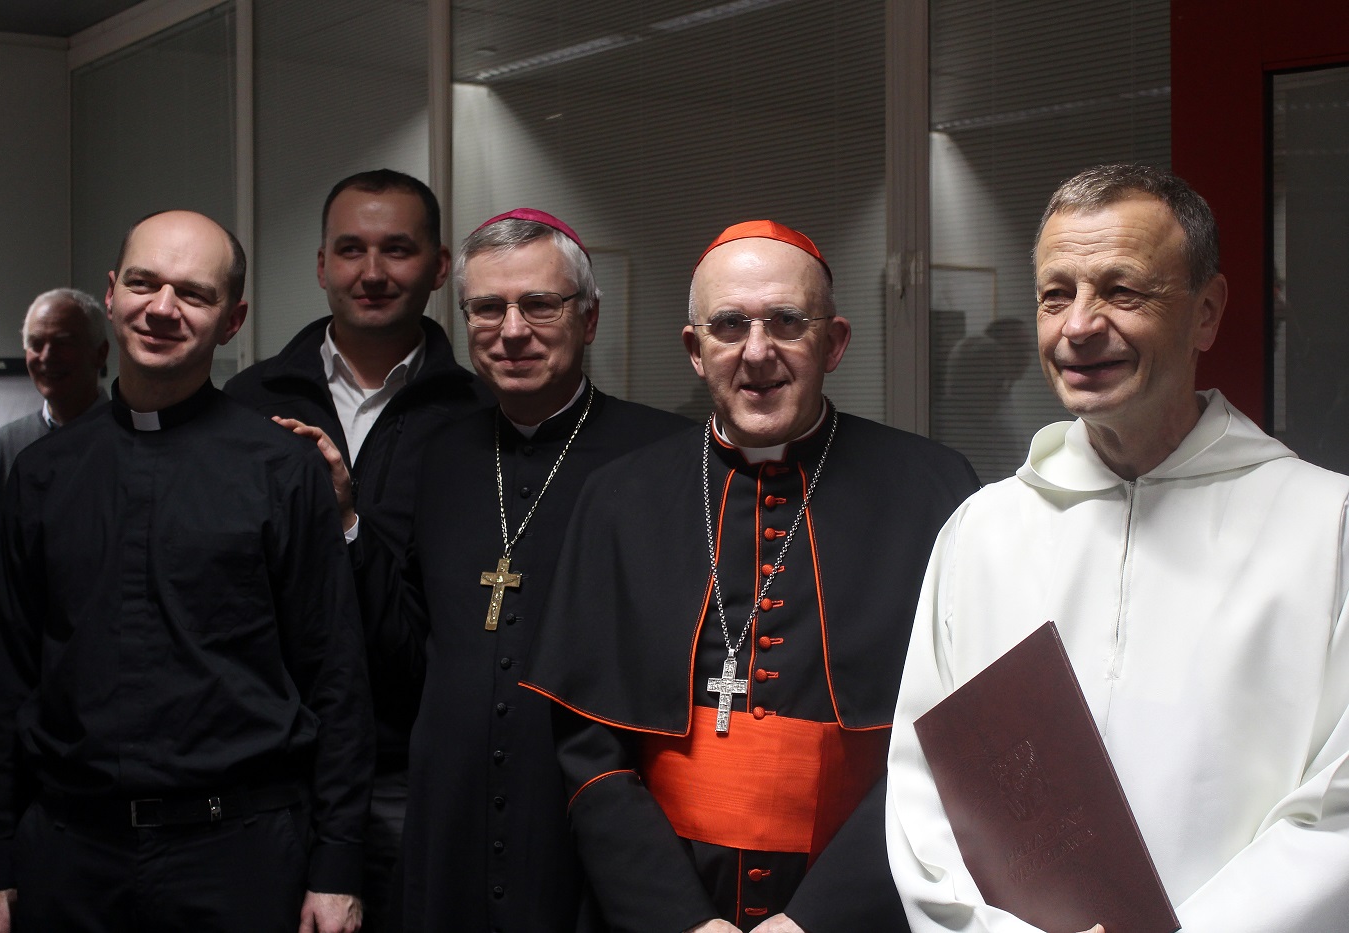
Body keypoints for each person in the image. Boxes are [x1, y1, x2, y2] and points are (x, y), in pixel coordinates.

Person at [886, 163, 1349, 932]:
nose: (1078, 325)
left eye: (1121, 290)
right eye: (1055, 293)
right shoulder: (983, 534)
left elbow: (1340, 807)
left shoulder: (1326, 527)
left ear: (1206, 312)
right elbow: (923, 791)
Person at [523, 220, 979, 932]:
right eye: (729, 325)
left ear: (835, 343)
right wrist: (680, 920)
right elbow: (589, 750)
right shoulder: (620, 497)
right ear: (695, 350)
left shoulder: (933, 489)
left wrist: (818, 919)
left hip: (867, 901)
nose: (757, 352)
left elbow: (955, 741)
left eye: (787, 322)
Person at [0, 210, 373, 933]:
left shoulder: (281, 471)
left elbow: (336, 679)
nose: (162, 308)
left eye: (192, 293)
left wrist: (337, 867)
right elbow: (4, 682)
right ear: (112, 294)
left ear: (232, 319)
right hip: (68, 856)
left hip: (240, 857)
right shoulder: (40, 474)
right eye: (143, 283)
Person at [331, 207, 685, 932]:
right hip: (448, 815)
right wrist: (347, 525)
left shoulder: (667, 458)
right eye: (488, 308)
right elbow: (403, 651)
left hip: (591, 820)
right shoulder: (435, 454)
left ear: (589, 319)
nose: (512, 330)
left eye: (540, 304)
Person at [224, 169, 487, 929]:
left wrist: (346, 522)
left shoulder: (479, 416)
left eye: (397, 249)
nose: (372, 272)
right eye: (350, 249)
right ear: (321, 265)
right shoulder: (247, 406)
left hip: (411, 773)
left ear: (439, 267)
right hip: (266, 774)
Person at [0, 289, 109, 749]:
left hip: (104, 690)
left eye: (63, 342)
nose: (46, 356)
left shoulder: (129, 441)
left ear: (100, 353)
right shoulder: (4, 449)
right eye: (36, 344)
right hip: (17, 691)